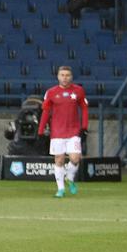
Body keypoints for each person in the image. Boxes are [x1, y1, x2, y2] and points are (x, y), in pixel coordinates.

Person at [37, 65, 88, 198]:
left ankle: (69, 177)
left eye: (67, 75)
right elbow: (46, 112)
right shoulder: (51, 92)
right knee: (59, 160)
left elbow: (84, 109)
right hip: (57, 132)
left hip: (73, 131)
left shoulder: (79, 91)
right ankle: (60, 189)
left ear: (71, 77)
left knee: (75, 158)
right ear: (58, 77)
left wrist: (84, 127)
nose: (65, 78)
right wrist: (40, 131)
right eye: (62, 75)